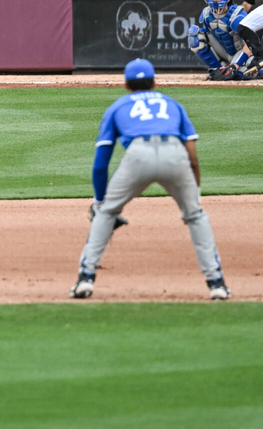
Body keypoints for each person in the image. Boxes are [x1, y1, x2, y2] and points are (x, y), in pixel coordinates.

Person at [70, 57, 231, 301]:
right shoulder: (172, 104)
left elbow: (101, 163)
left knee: (106, 213)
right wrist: (193, 196)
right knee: (196, 216)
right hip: (175, 155)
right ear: (155, 82)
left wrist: (101, 201)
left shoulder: (117, 106)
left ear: (126, 85)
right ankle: (216, 283)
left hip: (138, 156)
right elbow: (193, 157)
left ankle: (85, 279)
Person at [190, 0, 263, 81]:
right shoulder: (206, 13)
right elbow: (206, 37)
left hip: (241, 52)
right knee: (195, 35)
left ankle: (258, 68)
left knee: (238, 74)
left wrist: (236, 65)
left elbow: (250, 43)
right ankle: (218, 69)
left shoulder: (236, 15)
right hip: (224, 52)